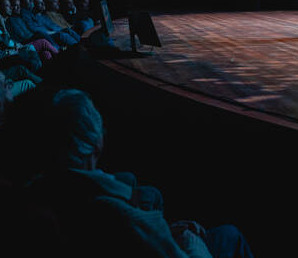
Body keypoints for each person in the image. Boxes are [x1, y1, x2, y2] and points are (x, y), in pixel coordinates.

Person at [27, 89, 254, 258]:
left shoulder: (39, 188)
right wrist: (189, 239)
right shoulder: (116, 212)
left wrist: (167, 232)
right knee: (230, 235)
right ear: (96, 141)